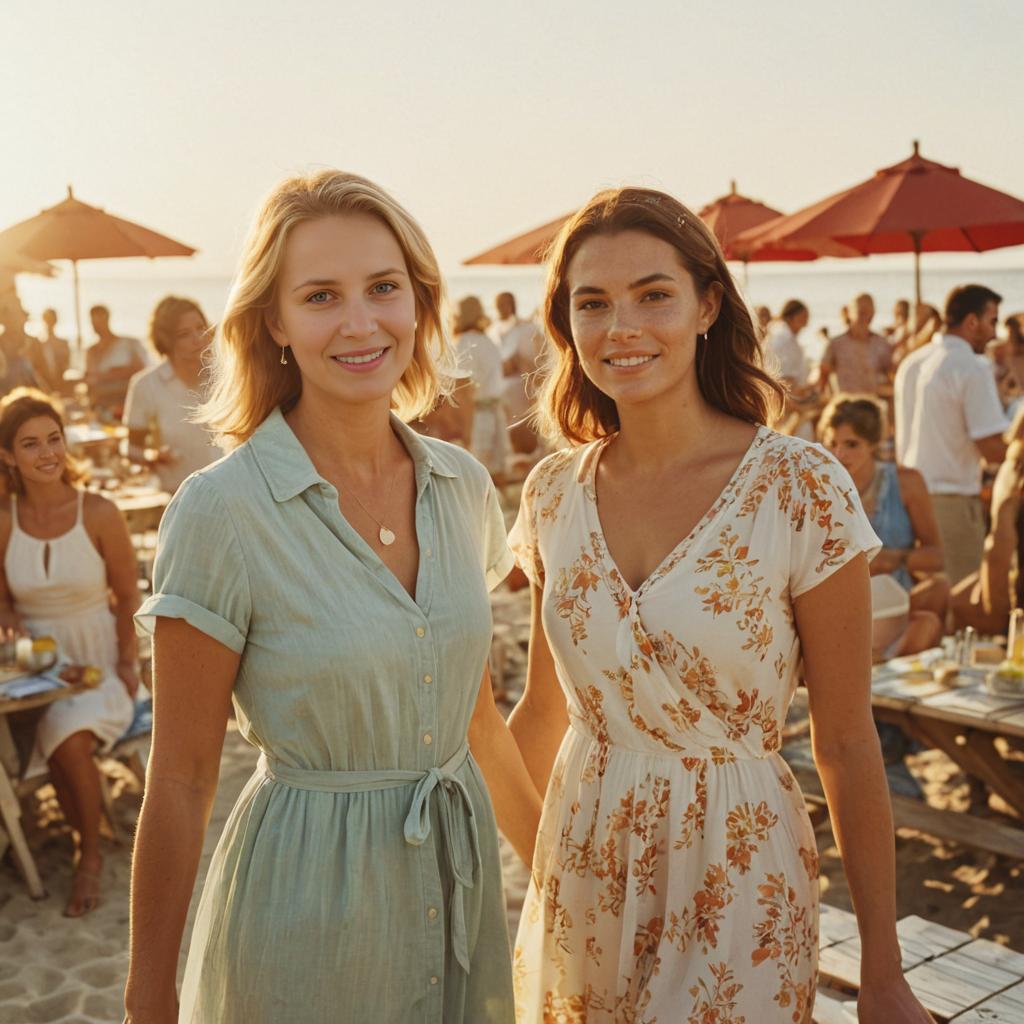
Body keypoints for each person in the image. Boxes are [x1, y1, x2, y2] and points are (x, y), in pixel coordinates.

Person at [123, 170, 541, 1024]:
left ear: (419, 303)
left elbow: (475, 717)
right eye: (321, 296)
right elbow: (182, 775)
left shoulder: (462, 486)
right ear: (273, 320)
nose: (360, 322)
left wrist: (559, 881)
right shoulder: (221, 510)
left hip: (459, 900)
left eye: (383, 288)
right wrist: (146, 997)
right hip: (305, 913)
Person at [506, 187, 933, 1023]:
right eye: (592, 303)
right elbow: (540, 710)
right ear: (568, 327)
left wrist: (884, 973)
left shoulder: (799, 487)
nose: (622, 327)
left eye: (652, 295)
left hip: (736, 873)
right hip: (582, 871)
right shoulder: (553, 493)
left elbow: (847, 741)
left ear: (707, 305)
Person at [0, 388, 139, 916]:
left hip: (99, 666)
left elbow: (129, 596)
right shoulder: (5, 520)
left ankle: (88, 858)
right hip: (35, 666)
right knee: (49, 718)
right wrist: (23, 646)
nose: (47, 453)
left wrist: (127, 664)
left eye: (54, 439)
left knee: (63, 729)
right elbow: (4, 607)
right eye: (30, 444)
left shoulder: (100, 512)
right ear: (9, 456)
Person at [895, 285, 1008, 587]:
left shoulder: (912, 363)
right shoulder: (972, 367)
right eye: (992, 321)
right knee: (959, 598)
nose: (995, 332)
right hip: (951, 500)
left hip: (908, 496)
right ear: (972, 321)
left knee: (927, 598)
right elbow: (992, 448)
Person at [820, 395, 947, 654]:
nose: (839, 454)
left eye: (851, 444)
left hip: (893, 602)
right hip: (841, 603)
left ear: (873, 444)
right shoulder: (820, 485)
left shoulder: (906, 482)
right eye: (832, 443)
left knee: (938, 592)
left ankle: (881, 667)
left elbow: (936, 557)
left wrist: (895, 559)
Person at [122, 296, 222, 493]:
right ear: (166, 341)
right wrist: (154, 456)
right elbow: (131, 449)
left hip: (231, 492)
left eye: (201, 328)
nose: (198, 338)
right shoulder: (146, 385)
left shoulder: (227, 376)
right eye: (184, 334)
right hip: (176, 494)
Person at [453, 294, 508, 480]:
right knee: (497, 473)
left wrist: (467, 429)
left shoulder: (465, 342)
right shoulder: (487, 340)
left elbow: (464, 390)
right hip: (497, 412)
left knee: (476, 476)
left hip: (480, 416)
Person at [492, 292, 543, 455]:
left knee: (526, 423)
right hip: (503, 387)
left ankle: (530, 452)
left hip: (523, 386)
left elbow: (538, 358)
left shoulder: (526, 329)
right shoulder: (494, 329)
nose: (500, 309)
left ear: (512, 306)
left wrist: (520, 364)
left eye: (504, 305)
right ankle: (518, 454)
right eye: (498, 305)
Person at [817, 293, 892, 397]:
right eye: (860, 312)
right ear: (849, 313)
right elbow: (822, 377)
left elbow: (890, 374)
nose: (865, 317)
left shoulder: (882, 344)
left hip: (871, 406)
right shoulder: (835, 344)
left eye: (868, 313)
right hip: (845, 406)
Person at [85, 305, 148, 418]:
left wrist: (105, 376)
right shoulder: (91, 350)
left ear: (107, 319)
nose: (95, 326)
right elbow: (89, 380)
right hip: (100, 408)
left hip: (126, 406)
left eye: (99, 321)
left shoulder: (129, 344)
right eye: (93, 322)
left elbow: (141, 371)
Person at [29, 308, 72, 392]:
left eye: (52, 319)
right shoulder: (38, 344)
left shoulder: (63, 344)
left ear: (56, 320)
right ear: (44, 320)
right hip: (43, 387)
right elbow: (35, 367)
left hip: (61, 386)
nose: (50, 322)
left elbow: (66, 365)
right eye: (47, 319)